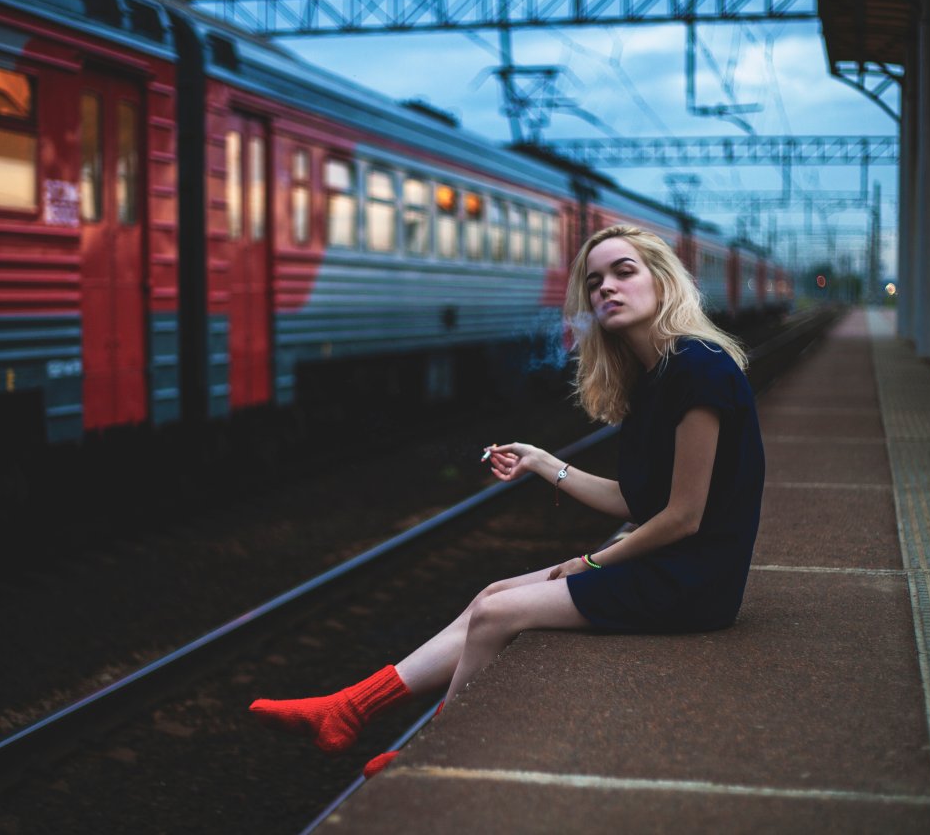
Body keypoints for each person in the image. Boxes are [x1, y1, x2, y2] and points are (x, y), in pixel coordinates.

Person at [249, 224, 765, 778]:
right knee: (491, 592)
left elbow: (684, 517)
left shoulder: (700, 367)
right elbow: (634, 499)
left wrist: (590, 562)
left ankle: (436, 752)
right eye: (594, 282)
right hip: (668, 567)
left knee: (498, 612)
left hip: (694, 584)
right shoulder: (654, 378)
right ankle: (350, 708)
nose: (605, 290)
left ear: (662, 282)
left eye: (624, 272)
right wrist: (544, 462)